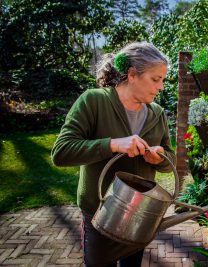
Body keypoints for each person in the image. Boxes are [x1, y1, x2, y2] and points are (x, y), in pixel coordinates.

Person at [51, 41, 176, 267]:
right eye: (156, 79)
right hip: (100, 214)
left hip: (140, 215)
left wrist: (160, 158)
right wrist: (113, 144)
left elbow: (170, 160)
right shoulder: (94, 101)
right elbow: (61, 152)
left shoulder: (157, 113)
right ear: (132, 74)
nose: (161, 87)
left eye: (163, 80)